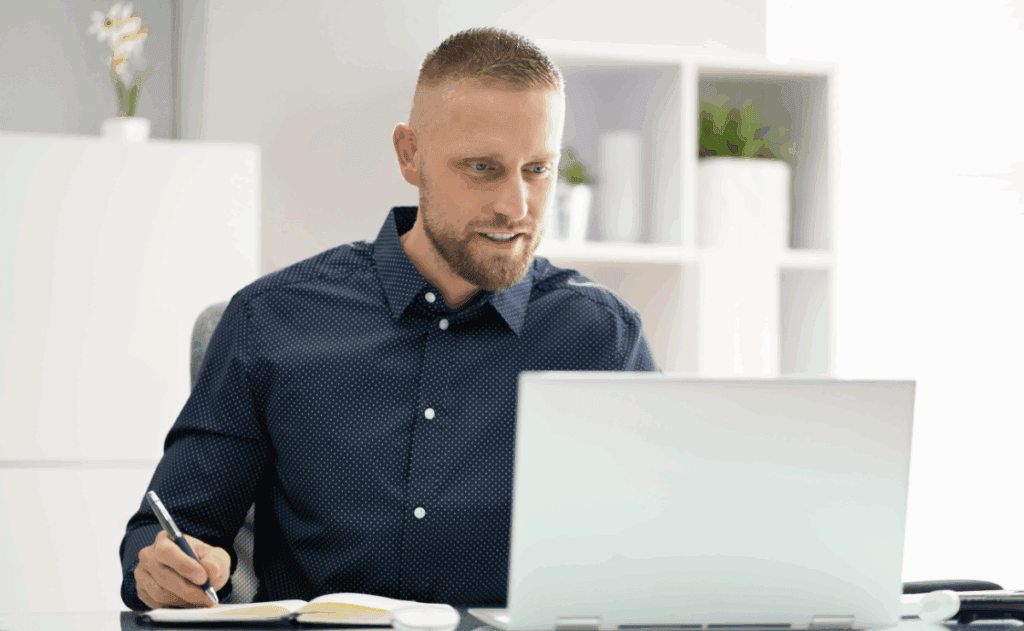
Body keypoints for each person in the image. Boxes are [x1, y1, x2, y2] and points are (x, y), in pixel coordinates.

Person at [119, 26, 660, 612]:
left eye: (537, 169)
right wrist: (165, 568)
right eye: (482, 167)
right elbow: (164, 533)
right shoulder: (269, 321)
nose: (516, 206)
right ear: (410, 154)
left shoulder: (603, 339)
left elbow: (664, 551)